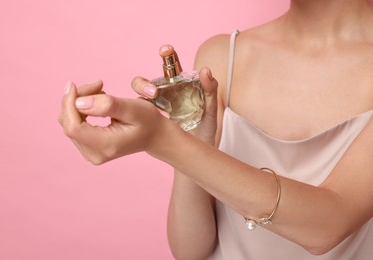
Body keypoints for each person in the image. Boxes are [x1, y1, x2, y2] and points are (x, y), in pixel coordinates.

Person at [58, 0, 373, 259]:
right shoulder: (224, 56)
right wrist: (193, 141)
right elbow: (191, 250)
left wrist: (164, 141)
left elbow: (326, 226)